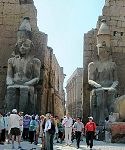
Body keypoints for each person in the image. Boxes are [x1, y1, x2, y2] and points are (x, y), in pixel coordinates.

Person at [6, 17, 41, 114]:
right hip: (15, 83)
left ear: (30, 48)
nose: (22, 47)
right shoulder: (11, 60)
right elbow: (9, 75)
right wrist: (10, 81)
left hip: (27, 84)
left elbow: (37, 78)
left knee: (24, 89)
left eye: (25, 45)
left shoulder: (35, 61)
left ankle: (22, 113)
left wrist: (28, 83)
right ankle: (10, 113)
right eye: (20, 45)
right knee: (10, 89)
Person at [88, 20, 118, 125]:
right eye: (100, 49)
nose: (102, 52)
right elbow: (90, 80)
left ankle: (111, 122)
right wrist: (97, 85)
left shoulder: (112, 64)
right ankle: (100, 122)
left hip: (110, 87)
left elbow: (116, 80)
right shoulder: (93, 65)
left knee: (112, 100)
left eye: (104, 50)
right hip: (98, 88)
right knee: (100, 98)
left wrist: (113, 86)